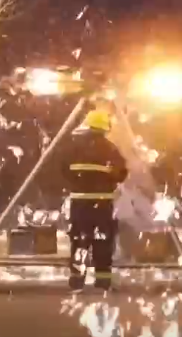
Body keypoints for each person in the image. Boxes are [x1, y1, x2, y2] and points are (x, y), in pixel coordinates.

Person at [61, 107, 128, 291]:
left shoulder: (74, 148)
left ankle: (77, 281)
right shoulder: (110, 149)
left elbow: (63, 169)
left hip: (80, 203)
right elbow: (121, 174)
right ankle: (103, 281)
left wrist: (76, 184)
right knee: (103, 241)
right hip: (102, 204)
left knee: (79, 241)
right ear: (105, 128)